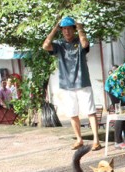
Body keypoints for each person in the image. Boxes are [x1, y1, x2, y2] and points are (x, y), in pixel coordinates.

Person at [42, 16, 102, 151]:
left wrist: (80, 28)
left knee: (91, 112)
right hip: (66, 84)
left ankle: (96, 140)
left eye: (69, 29)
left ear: (74, 30)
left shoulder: (80, 42)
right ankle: (79, 139)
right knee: (72, 113)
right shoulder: (59, 45)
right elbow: (45, 46)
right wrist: (54, 29)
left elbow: (85, 44)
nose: (67, 32)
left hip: (83, 82)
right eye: (64, 29)